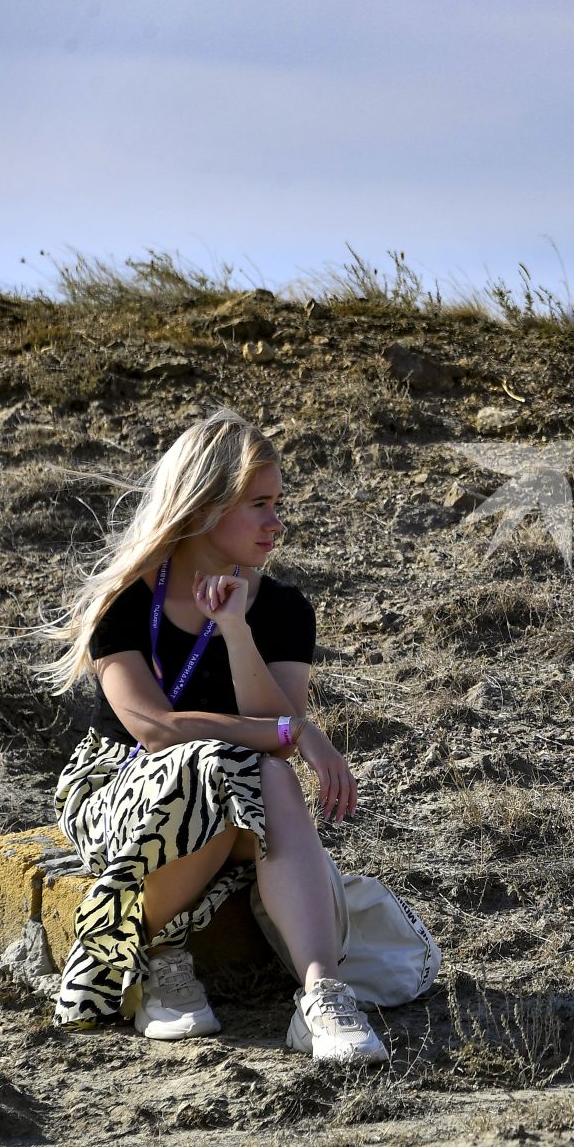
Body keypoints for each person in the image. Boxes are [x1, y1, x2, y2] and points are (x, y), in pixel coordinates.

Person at [33, 405, 387, 1063]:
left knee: (262, 768)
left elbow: (277, 735)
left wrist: (235, 631)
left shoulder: (283, 610)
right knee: (227, 763)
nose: (276, 522)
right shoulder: (126, 602)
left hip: (241, 796)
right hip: (122, 785)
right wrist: (286, 731)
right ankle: (162, 957)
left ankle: (321, 997)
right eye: (258, 504)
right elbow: (154, 728)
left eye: (278, 503)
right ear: (203, 505)